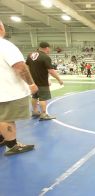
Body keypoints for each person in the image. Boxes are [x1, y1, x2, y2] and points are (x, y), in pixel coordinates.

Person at [0, 20, 38, 156]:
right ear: (1, 28)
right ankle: (12, 145)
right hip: (7, 91)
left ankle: (3, 138)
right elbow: (20, 67)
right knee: (6, 118)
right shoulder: (5, 45)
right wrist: (31, 84)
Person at [26, 42, 64, 121]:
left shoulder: (30, 55)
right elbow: (51, 71)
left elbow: (27, 67)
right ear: (46, 48)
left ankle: (35, 111)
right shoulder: (45, 57)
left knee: (34, 96)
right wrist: (59, 79)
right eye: (49, 49)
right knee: (43, 98)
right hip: (42, 81)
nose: (49, 50)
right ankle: (43, 114)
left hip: (33, 81)